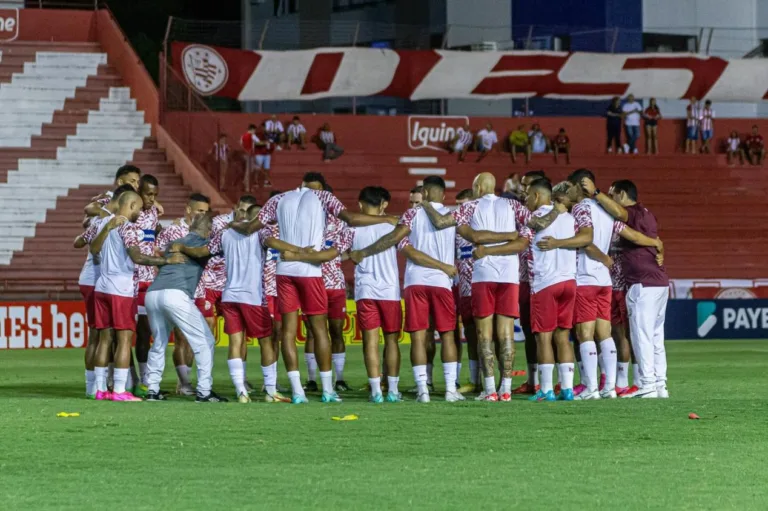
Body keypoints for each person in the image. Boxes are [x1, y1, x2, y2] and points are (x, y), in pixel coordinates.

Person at [230, 172, 397, 403]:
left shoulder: (279, 199)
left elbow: (250, 228)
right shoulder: (323, 197)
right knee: (319, 330)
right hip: (310, 271)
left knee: (288, 332)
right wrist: (386, 219)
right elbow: (351, 219)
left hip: (284, 270)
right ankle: (328, 390)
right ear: (317, 187)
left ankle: (298, 391)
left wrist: (232, 223)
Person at [352, 176, 518, 402]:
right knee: (449, 335)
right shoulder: (454, 216)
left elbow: (397, 241)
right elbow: (474, 237)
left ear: (426, 194)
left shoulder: (411, 214)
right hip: (442, 281)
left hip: (415, 281)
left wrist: (366, 251)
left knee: (419, 337)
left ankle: (423, 391)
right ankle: (450, 390)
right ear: (443, 194)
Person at [536, 169, 664, 400]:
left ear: (578, 187)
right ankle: (610, 388)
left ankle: (591, 388)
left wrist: (557, 243)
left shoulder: (581, 209)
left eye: (571, 187)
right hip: (605, 281)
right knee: (605, 335)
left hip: (585, 277)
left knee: (585, 334)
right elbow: (632, 236)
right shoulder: (606, 212)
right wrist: (655, 243)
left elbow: (586, 240)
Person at [420, 173, 530, 401]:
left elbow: (442, 222)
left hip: (483, 274)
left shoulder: (470, 207)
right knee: (507, 333)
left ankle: (490, 390)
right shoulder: (513, 205)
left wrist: (425, 204)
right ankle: (506, 389)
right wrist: (509, 235)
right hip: (509, 275)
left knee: (484, 334)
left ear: (478, 187)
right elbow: (527, 235)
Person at [89, 191, 183, 401]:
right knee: (124, 340)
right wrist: (167, 262)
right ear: (130, 205)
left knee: (105, 339)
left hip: (102, 286)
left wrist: (106, 229)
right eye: (138, 208)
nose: (140, 213)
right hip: (121, 289)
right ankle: (120, 391)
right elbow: (137, 256)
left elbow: (93, 248)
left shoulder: (105, 222)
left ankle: (100, 389)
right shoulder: (127, 227)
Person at [580, 177, 669, 399]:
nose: (610, 199)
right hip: (658, 282)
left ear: (621, 195)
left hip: (642, 283)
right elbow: (653, 239)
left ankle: (646, 384)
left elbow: (621, 215)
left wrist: (596, 193)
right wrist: (658, 245)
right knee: (656, 337)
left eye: (612, 195)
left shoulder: (634, 213)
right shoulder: (648, 214)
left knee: (641, 335)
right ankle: (660, 385)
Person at [206, 204, 293, 403]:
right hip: (252, 297)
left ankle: (241, 392)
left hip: (229, 296)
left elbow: (205, 250)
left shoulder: (225, 233)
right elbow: (273, 242)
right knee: (267, 341)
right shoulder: (261, 233)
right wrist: (297, 249)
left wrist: (183, 248)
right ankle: (271, 392)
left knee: (236, 343)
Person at [143, 212, 228, 403]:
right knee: (205, 341)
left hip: (153, 293)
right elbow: (203, 253)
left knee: (158, 343)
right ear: (209, 230)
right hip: (175, 294)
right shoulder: (204, 243)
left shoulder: (174, 242)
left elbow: (163, 255)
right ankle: (204, 391)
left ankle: (152, 389)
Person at [74, 184, 135, 398]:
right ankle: (98, 387)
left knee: (102, 336)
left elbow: (79, 241)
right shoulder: (115, 222)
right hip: (100, 281)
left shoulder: (100, 221)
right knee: (101, 336)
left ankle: (98, 387)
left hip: (96, 281)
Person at [521, 179, 577, 402]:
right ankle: (567, 389)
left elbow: (535, 228)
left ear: (536, 196)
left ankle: (545, 390)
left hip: (545, 283)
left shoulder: (532, 218)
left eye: (527, 195)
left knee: (543, 338)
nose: (525, 200)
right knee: (563, 337)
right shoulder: (570, 218)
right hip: (569, 281)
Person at [348, 186, 403, 403]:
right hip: (389, 289)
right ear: (383, 204)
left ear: (360, 204)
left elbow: (343, 253)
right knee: (392, 341)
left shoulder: (352, 227)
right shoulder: (392, 225)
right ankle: (393, 391)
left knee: (370, 343)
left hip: (366, 290)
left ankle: (376, 392)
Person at [156, 193, 212, 394]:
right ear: (188, 210)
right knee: (181, 337)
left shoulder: (208, 233)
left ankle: (189, 380)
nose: (202, 215)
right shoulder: (173, 231)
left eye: (205, 212)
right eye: (199, 211)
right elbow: (157, 253)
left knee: (203, 336)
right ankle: (184, 382)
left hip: (201, 288)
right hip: (180, 289)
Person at [133, 174, 162, 397]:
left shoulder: (153, 213)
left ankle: (143, 378)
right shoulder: (130, 212)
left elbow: (153, 237)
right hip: (129, 279)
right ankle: (124, 377)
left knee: (145, 332)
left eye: (154, 195)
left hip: (148, 279)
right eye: (148, 194)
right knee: (121, 333)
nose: (151, 199)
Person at [452, 189, 478, 394]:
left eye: (464, 205)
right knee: (470, 334)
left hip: (487, 286)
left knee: (491, 335)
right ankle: (475, 379)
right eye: (459, 205)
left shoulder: (488, 226)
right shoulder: (457, 231)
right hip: (466, 290)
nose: (461, 210)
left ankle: (498, 382)